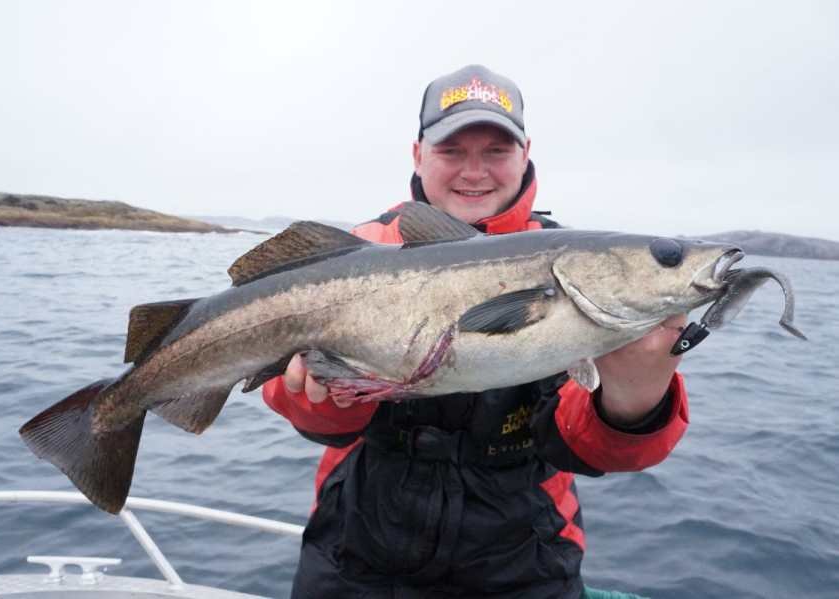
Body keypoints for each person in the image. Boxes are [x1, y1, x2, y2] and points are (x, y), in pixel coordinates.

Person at [263, 64, 689, 599]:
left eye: (495, 151)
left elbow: (597, 449)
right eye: (451, 151)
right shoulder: (360, 252)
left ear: (525, 153)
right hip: (356, 551)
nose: (474, 171)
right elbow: (298, 404)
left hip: (522, 560)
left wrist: (633, 403)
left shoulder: (583, 267)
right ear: (418, 154)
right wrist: (328, 396)